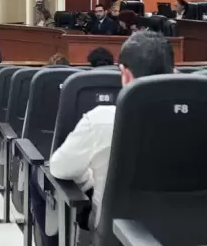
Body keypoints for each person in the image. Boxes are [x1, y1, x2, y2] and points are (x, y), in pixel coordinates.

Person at [48, 31, 175, 240]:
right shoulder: (206, 118)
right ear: (174, 72)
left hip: (117, 234)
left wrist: (89, 179)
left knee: (38, 178)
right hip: (194, 234)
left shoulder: (101, 119)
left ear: (125, 74)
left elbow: (60, 168)